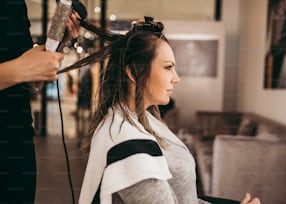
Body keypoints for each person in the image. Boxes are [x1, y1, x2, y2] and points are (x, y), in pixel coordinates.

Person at [66, 17, 260, 204]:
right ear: (134, 72)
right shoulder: (129, 145)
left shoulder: (144, 121)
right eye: (168, 67)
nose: (176, 78)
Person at [0, 0, 81, 203]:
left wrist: (57, 44)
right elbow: (18, 70)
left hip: (18, 143)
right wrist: (18, 69)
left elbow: (28, 83)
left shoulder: (16, 5)